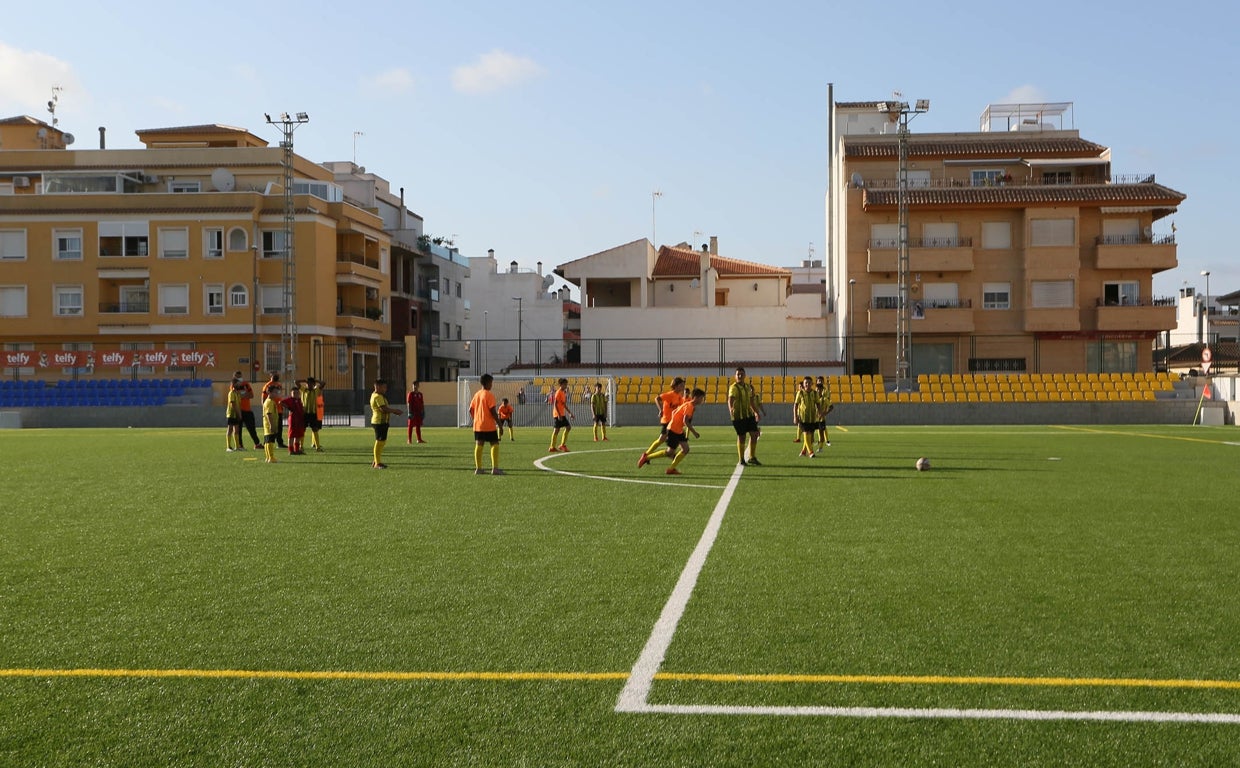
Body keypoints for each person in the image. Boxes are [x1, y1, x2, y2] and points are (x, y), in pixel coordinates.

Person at [640, 388, 704, 475]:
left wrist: (677, 423)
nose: (702, 400)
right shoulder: (689, 406)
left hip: (677, 430)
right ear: (696, 397)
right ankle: (647, 457)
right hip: (673, 430)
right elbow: (685, 421)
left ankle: (671, 469)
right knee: (670, 452)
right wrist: (694, 432)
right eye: (701, 398)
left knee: (685, 449)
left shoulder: (688, 404)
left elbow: (674, 412)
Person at [638, 377, 686, 467]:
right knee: (662, 439)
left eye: (683, 385)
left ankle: (648, 455)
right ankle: (647, 455)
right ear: (675, 386)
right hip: (667, 421)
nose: (683, 387)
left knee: (662, 439)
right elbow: (657, 398)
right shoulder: (670, 394)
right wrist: (660, 410)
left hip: (673, 422)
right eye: (681, 385)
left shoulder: (679, 397)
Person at [727, 367, 764, 466]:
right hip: (738, 416)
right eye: (738, 374)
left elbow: (751, 401)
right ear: (735, 376)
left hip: (749, 415)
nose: (740, 376)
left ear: (745, 375)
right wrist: (731, 409)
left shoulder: (748, 387)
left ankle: (752, 457)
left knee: (754, 434)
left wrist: (756, 412)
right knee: (742, 436)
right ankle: (741, 459)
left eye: (742, 374)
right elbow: (730, 400)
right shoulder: (733, 387)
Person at [469, 373, 503, 475]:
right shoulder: (489, 395)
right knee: (494, 444)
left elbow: (470, 409)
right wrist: (500, 425)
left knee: (479, 444)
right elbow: (493, 411)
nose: (492, 385)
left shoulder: (477, 394)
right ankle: (495, 469)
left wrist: (476, 419)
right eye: (491, 383)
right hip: (488, 425)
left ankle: (478, 469)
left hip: (478, 425)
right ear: (488, 383)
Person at [369, 378, 403, 469]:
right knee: (379, 441)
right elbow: (383, 409)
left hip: (382, 421)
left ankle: (376, 460)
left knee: (382, 441)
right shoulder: (377, 396)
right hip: (379, 421)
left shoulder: (377, 395)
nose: (385, 389)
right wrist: (395, 411)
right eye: (384, 387)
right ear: (377, 387)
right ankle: (377, 463)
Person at [233, 369, 261, 449]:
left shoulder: (246, 384)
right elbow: (235, 396)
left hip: (247, 410)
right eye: (238, 377)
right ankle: (240, 445)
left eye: (240, 376)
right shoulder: (233, 386)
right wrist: (245, 395)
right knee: (239, 429)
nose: (240, 378)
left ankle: (257, 443)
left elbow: (251, 395)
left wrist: (242, 395)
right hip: (238, 410)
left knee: (252, 428)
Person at [794, 375, 821, 457]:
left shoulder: (815, 393)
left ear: (812, 384)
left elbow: (818, 404)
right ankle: (810, 452)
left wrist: (819, 412)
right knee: (806, 433)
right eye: (806, 383)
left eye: (809, 383)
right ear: (804, 384)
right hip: (803, 417)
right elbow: (795, 405)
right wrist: (795, 416)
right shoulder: (800, 393)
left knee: (811, 437)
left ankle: (803, 451)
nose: (807, 384)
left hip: (812, 418)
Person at [548, 377, 574, 452]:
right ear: (561, 385)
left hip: (561, 414)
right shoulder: (558, 392)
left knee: (566, 428)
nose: (566, 386)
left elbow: (564, 404)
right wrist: (559, 415)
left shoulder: (563, 393)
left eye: (566, 384)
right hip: (558, 414)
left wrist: (570, 413)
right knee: (558, 429)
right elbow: (555, 404)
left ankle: (559, 446)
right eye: (565, 384)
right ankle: (555, 446)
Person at [281, 380, 307, 455]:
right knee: (292, 435)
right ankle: (291, 450)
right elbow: (281, 402)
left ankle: (297, 449)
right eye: (294, 393)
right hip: (293, 420)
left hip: (299, 420)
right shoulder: (290, 399)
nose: (295, 394)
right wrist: (289, 408)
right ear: (291, 393)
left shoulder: (299, 400)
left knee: (298, 435)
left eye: (297, 393)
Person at [261, 372, 286, 448]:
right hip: (271, 409)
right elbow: (263, 398)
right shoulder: (267, 385)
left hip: (278, 409)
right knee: (270, 427)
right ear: (270, 376)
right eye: (275, 375)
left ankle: (279, 442)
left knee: (279, 427)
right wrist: (264, 408)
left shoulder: (279, 385)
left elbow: (280, 396)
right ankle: (267, 442)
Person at [261, 381, 282, 464]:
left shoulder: (269, 401)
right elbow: (269, 414)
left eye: (277, 392)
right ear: (269, 392)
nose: (276, 394)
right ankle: (271, 458)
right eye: (275, 392)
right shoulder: (269, 402)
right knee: (270, 441)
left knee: (267, 441)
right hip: (269, 425)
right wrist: (272, 425)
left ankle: (268, 457)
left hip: (267, 425)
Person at [301, 377, 322, 452]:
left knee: (315, 429)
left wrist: (316, 380)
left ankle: (317, 447)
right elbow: (296, 382)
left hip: (313, 413)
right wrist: (303, 380)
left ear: (314, 384)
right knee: (303, 430)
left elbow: (323, 383)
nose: (309, 385)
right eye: (308, 383)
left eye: (311, 383)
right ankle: (301, 446)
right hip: (305, 413)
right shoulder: (304, 390)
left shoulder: (316, 390)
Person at [814, 375, 833, 451]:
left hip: (821, 417)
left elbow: (831, 406)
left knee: (822, 431)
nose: (818, 391)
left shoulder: (825, 396)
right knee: (811, 433)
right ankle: (816, 444)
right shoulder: (813, 396)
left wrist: (824, 413)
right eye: (817, 390)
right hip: (814, 418)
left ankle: (823, 444)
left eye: (820, 389)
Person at [225, 378, 244, 452]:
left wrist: (239, 413)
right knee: (230, 429)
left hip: (236, 414)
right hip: (231, 414)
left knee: (236, 430)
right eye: (237, 384)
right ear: (234, 384)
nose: (239, 385)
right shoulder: (231, 393)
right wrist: (238, 413)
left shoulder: (237, 394)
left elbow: (238, 404)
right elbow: (233, 404)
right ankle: (228, 447)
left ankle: (237, 446)